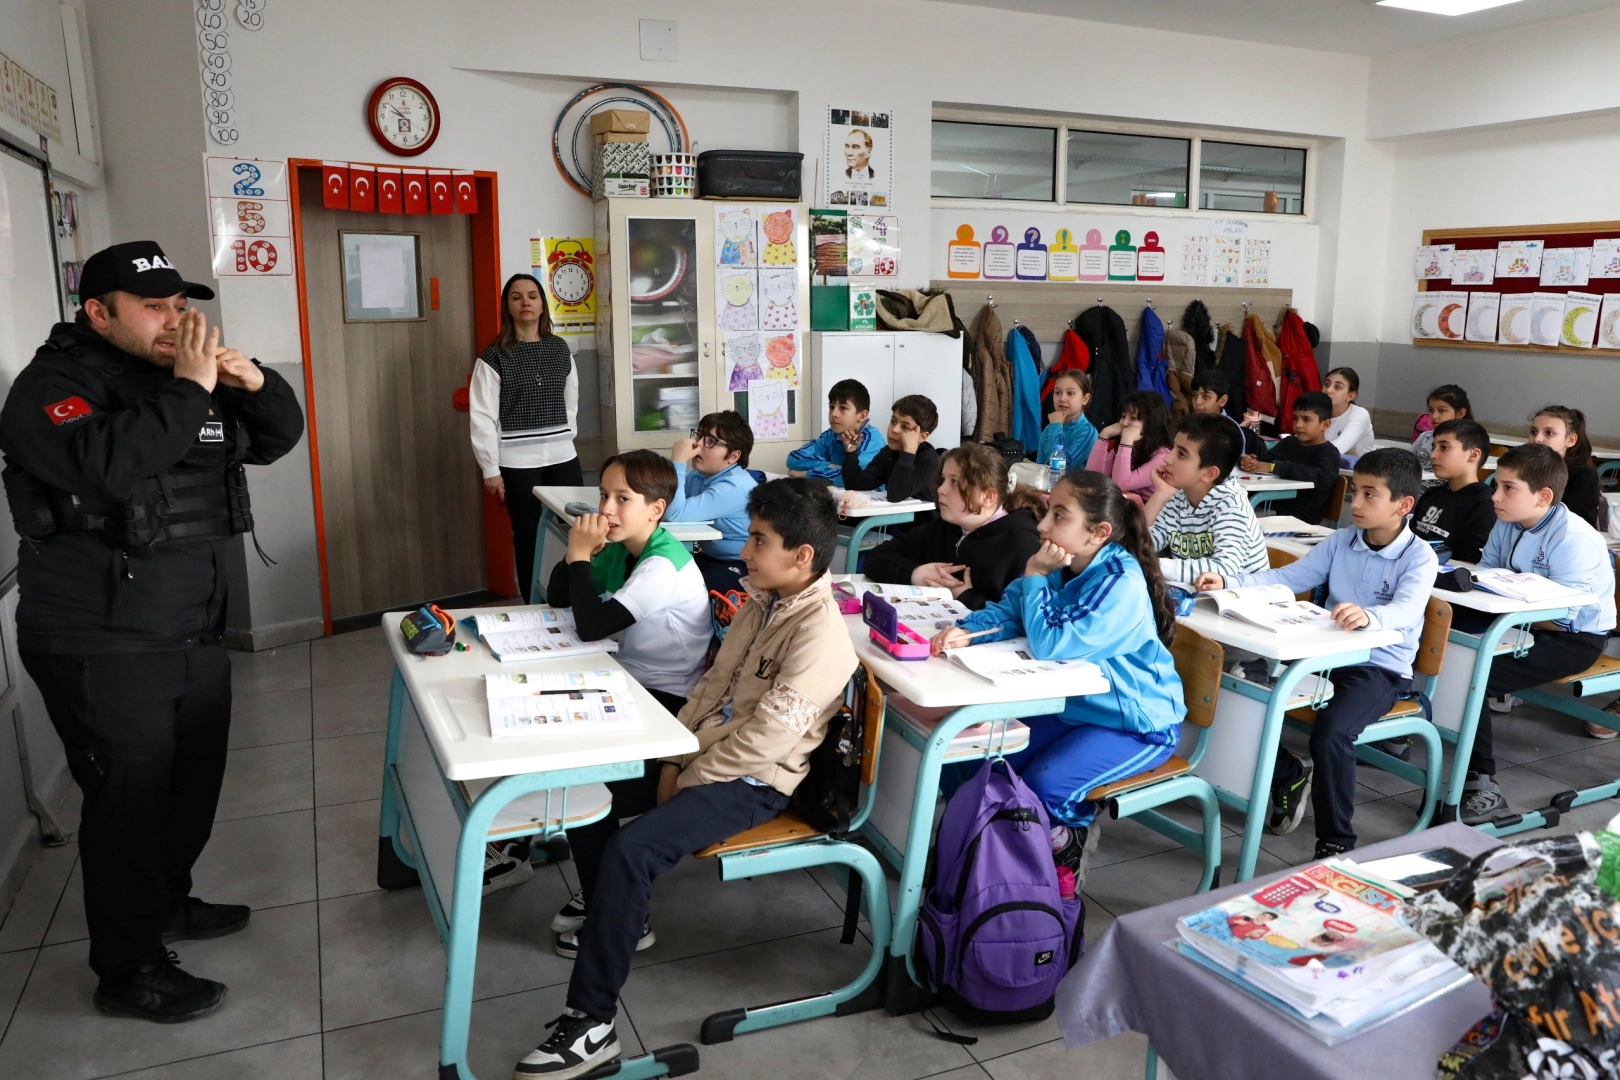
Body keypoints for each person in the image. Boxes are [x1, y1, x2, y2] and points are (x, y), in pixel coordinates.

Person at [0, 241, 304, 1021]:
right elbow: (106, 466)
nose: (174, 321)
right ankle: (128, 969)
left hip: (190, 627)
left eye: (180, 305)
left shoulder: (176, 381)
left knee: (188, 789)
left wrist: (255, 383)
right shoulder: (51, 388)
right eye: (153, 307)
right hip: (101, 638)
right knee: (128, 807)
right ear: (98, 313)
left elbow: (274, 439)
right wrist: (193, 386)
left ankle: (166, 904)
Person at [520, 479, 857, 1079]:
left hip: (754, 782)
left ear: (802, 555)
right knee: (586, 791)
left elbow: (766, 743)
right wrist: (673, 759)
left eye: (758, 541)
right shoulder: (763, 601)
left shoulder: (821, 635)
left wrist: (688, 773)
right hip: (701, 756)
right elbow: (710, 687)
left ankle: (592, 1023)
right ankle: (616, 914)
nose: (744, 552)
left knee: (632, 849)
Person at [933, 470, 1186, 887]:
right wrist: (968, 631)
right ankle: (979, 849)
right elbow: (1012, 610)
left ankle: (1069, 838)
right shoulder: (1060, 561)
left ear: (1098, 533)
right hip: (1075, 710)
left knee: (1045, 784)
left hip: (1138, 725)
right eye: (1048, 511)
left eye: (1059, 516)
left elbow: (1050, 643)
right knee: (974, 757)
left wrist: (1035, 575)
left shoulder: (1118, 581)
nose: (1043, 525)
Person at [1195, 449, 1437, 859]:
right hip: (1320, 656)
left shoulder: (1419, 556)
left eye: (1370, 494)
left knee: (1332, 733)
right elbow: (1289, 578)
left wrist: (1370, 616)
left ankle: (1336, 841)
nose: (1355, 503)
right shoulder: (1341, 540)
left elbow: (1408, 610)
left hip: (1378, 668)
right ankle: (1285, 773)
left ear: (1403, 505)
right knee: (1233, 683)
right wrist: (1230, 582)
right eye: (1355, 491)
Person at [524, 451, 712, 897]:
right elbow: (559, 599)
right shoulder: (622, 547)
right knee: (539, 727)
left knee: (585, 787)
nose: (606, 508)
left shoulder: (662, 565)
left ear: (656, 509)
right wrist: (577, 553)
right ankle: (520, 847)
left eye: (622, 498)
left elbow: (592, 626)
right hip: (627, 680)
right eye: (603, 495)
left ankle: (608, 906)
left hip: (670, 703)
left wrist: (579, 555)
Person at [1456, 444, 1617, 823]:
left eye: (1508, 488)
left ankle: (1483, 784)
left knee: (1472, 676)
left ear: (1543, 496)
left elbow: (1563, 618)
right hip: (1514, 624)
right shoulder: (1507, 522)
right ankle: (1403, 734)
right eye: (1496, 486)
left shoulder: (1573, 538)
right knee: (1444, 649)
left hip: (1573, 638)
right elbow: (1487, 576)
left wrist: (1505, 610)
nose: (1495, 496)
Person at [469, 273, 581, 598]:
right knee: (529, 534)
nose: (525, 302)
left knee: (578, 528)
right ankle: (534, 602)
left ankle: (574, 597)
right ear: (507, 306)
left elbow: (571, 400)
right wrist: (490, 469)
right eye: (516, 297)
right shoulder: (493, 356)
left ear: (543, 305)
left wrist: (566, 437)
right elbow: (482, 416)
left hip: (563, 457)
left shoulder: (559, 348)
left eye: (532, 296)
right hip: (517, 463)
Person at [863, 443, 1043, 610]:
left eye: (954, 482)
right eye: (943, 480)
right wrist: (915, 573)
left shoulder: (1021, 543)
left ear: (988, 497)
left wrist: (965, 597)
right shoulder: (945, 527)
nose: (941, 489)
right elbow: (875, 558)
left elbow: (1023, 618)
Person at [1143, 413, 1268, 584]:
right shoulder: (1178, 497)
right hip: (1199, 595)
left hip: (1242, 597)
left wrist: (1154, 565)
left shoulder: (1231, 505)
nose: (1167, 458)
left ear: (1209, 473)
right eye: (1173, 448)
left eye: (1181, 454)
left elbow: (1224, 568)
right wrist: (1160, 494)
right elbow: (1141, 544)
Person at [668, 411, 759, 596]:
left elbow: (675, 513)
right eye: (699, 436)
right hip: (709, 556)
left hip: (742, 564)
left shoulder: (734, 487)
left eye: (710, 441)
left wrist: (678, 462)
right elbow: (666, 501)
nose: (698, 444)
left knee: (689, 589)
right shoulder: (699, 475)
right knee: (660, 572)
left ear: (733, 456)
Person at [1239, 390, 1341, 524]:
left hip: (1299, 517)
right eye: (1295, 418)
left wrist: (1273, 467)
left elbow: (1320, 477)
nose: (1298, 425)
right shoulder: (1288, 443)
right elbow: (1264, 461)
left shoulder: (1329, 453)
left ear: (1325, 425)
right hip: (1270, 507)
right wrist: (1250, 462)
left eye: (1306, 419)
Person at [1411, 418, 1495, 563]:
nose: (1433, 455)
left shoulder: (1485, 505)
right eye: (1433, 447)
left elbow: (1470, 563)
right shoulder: (1431, 494)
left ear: (1473, 455)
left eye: (1444, 447)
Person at [841, 393, 940, 502]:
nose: (894, 429)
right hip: (898, 512)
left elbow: (895, 495)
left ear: (922, 436)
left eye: (905, 427)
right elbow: (856, 485)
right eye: (893, 421)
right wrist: (851, 451)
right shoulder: (889, 452)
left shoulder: (928, 461)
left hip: (925, 513)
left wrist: (908, 453)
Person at [1087, 389, 1174, 502]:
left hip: (1150, 508)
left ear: (1152, 422)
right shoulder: (1127, 446)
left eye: (1133, 418)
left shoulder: (1163, 456)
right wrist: (1104, 435)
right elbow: (1093, 479)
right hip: (1125, 503)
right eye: (1123, 416)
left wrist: (1126, 441)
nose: (1124, 423)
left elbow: (1121, 484)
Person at [786, 378, 879, 481]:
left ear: (862, 416)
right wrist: (830, 466)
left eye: (843, 408)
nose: (834, 414)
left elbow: (851, 476)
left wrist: (805, 474)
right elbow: (793, 458)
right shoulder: (831, 435)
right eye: (831, 407)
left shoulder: (872, 440)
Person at [1528, 405, 1601, 528]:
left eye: (1549, 433)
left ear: (1571, 440)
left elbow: (1561, 519)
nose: (1537, 439)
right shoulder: (1525, 466)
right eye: (1534, 432)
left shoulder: (1583, 475)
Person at [1189, 368, 1264, 457]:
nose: (1198, 402)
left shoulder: (1231, 432)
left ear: (1222, 400)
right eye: (1194, 395)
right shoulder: (1189, 424)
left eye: (1206, 396)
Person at [1036, 370, 1098, 472]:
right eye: (1057, 393)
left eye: (1070, 393)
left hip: (1073, 482)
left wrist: (1056, 426)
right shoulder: (1050, 428)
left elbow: (1060, 467)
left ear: (1085, 399)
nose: (1062, 399)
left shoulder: (1088, 432)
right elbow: (1039, 466)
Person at [1411, 384, 1471, 479]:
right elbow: (1407, 461)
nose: (1434, 416)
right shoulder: (1425, 437)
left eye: (1442, 410)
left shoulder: (1467, 441)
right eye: (1431, 410)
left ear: (1460, 414)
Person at [1322, 367, 1375, 463]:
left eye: (1337, 387)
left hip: (1360, 470)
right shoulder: (1317, 411)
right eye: (1327, 384)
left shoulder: (1360, 414)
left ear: (1350, 396)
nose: (1329, 390)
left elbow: (1336, 449)